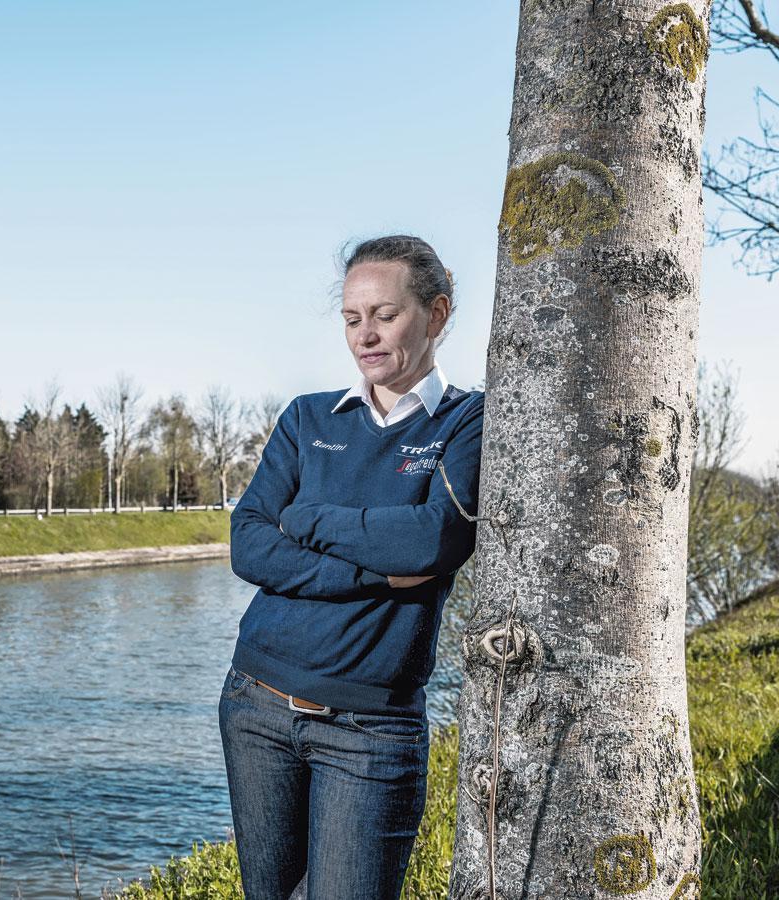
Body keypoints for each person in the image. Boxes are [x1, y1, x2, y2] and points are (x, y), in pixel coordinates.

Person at [218, 234, 485, 900]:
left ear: (437, 314)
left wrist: (308, 519)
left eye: (384, 314)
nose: (365, 334)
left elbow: (434, 540)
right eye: (351, 318)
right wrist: (367, 573)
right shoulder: (307, 417)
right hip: (256, 704)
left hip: (371, 728)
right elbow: (249, 543)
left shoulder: (468, 421)